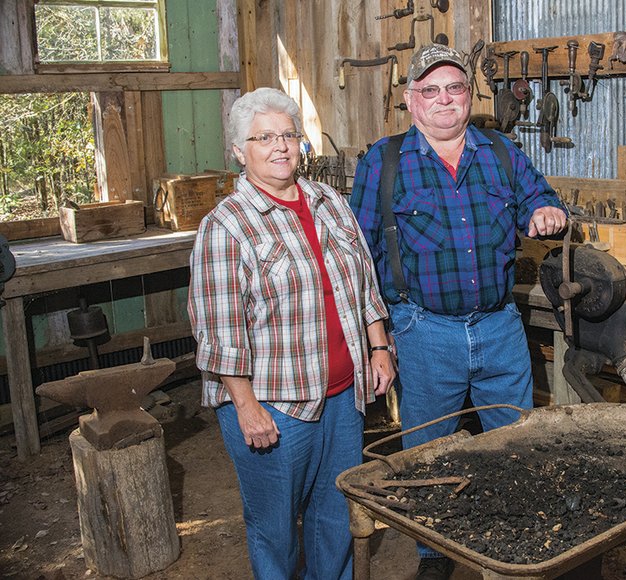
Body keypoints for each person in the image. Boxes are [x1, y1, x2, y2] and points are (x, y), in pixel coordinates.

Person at [349, 44, 567, 579]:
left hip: (499, 327)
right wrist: (379, 337)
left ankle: (511, 543)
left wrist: (544, 210)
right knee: (429, 450)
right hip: (425, 332)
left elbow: (543, 197)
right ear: (410, 100)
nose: (444, 99)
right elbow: (360, 253)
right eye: (430, 90)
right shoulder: (385, 159)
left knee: (512, 442)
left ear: (470, 95)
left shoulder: (500, 150)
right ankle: (434, 555)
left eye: (455, 88)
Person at [187, 87, 395, 580]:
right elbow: (219, 329)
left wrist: (379, 345)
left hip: (344, 397)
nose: (280, 146)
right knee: (275, 530)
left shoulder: (328, 201)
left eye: (288, 135)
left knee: (335, 518)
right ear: (240, 151)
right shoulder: (226, 226)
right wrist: (245, 406)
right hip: (276, 407)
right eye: (264, 138)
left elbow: (362, 281)